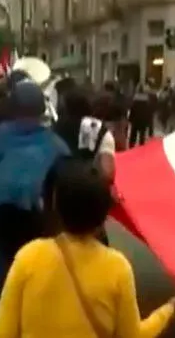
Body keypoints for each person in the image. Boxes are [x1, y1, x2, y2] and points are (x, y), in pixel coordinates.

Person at [0, 159, 175, 338]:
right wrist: (170, 308)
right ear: (104, 217)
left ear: (56, 206)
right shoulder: (117, 268)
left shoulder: (29, 257)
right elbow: (133, 335)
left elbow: (1, 332)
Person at [0, 80, 70, 319]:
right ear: (42, 110)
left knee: (2, 293)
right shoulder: (56, 146)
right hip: (43, 230)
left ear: (12, 107)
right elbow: (66, 195)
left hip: (0, 228)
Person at [53, 85, 115, 245]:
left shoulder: (54, 129)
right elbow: (108, 172)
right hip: (91, 199)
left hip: (61, 197)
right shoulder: (100, 129)